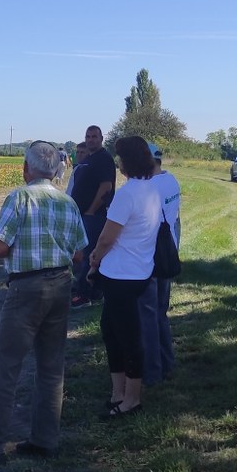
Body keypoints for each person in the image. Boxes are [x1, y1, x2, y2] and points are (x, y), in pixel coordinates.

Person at [0, 141, 88, 465]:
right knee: (51, 367)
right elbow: (79, 254)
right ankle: (45, 440)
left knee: (5, 366)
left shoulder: (19, 198)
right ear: (57, 169)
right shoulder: (68, 202)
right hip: (61, 285)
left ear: (25, 168)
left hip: (27, 287)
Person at [87, 136, 161, 417]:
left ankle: (131, 399)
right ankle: (118, 393)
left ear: (127, 161)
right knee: (110, 330)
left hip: (121, 275)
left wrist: (95, 257)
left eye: (119, 157)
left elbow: (107, 238)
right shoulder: (151, 189)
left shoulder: (127, 194)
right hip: (139, 270)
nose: (117, 161)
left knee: (128, 338)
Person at [138, 145, 182, 386]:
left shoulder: (150, 187)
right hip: (168, 253)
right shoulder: (171, 180)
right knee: (160, 313)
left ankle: (152, 370)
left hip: (150, 256)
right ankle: (168, 362)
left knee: (148, 315)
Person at [70, 126, 117, 308]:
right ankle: (94, 291)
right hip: (83, 215)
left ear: (101, 138)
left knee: (88, 255)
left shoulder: (103, 159)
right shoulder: (89, 158)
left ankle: (84, 294)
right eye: (88, 136)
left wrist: (91, 210)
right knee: (87, 253)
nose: (91, 140)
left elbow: (106, 187)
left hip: (94, 216)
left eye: (94, 136)